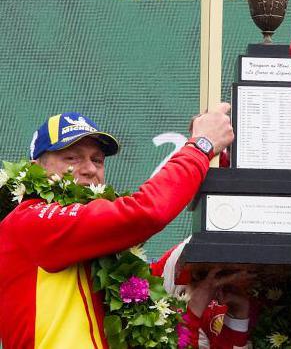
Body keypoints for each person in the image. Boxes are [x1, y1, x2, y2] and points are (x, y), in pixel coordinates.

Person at [0, 107, 233, 348]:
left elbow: (158, 276)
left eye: (97, 160)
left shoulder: (95, 248)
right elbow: (147, 211)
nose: (90, 169)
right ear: (36, 168)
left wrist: (218, 162)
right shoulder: (29, 220)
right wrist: (202, 146)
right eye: (72, 158)